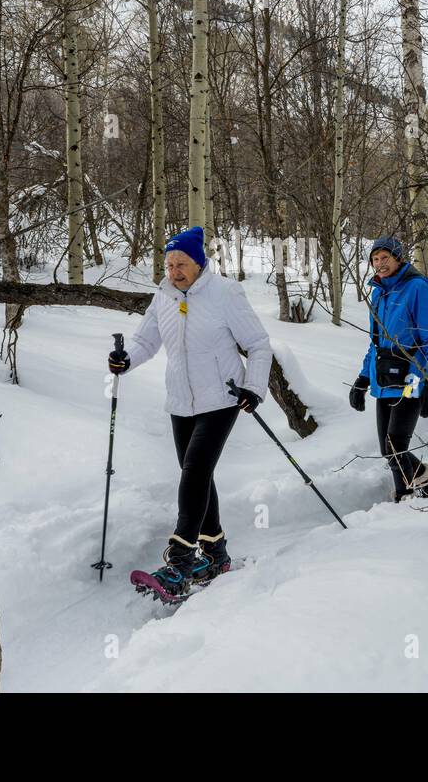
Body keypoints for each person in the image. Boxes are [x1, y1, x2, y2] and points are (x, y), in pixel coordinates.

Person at [107, 226, 272, 600]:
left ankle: (180, 562)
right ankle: (215, 554)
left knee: (195, 472)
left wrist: (254, 388)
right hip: (181, 401)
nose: (174, 270)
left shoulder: (225, 293)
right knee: (197, 473)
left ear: (199, 264)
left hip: (221, 398)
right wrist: (125, 359)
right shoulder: (163, 296)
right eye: (169, 264)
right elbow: (146, 340)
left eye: (181, 263)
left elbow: (259, 344)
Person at [348, 236, 428, 502]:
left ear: (398, 258)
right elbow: (376, 342)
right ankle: (405, 495)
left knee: (395, 446)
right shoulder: (378, 292)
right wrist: (362, 379)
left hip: (412, 377)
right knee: (388, 449)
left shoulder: (416, 288)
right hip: (383, 377)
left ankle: (427, 491)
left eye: (385, 258)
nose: (380, 264)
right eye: (375, 259)